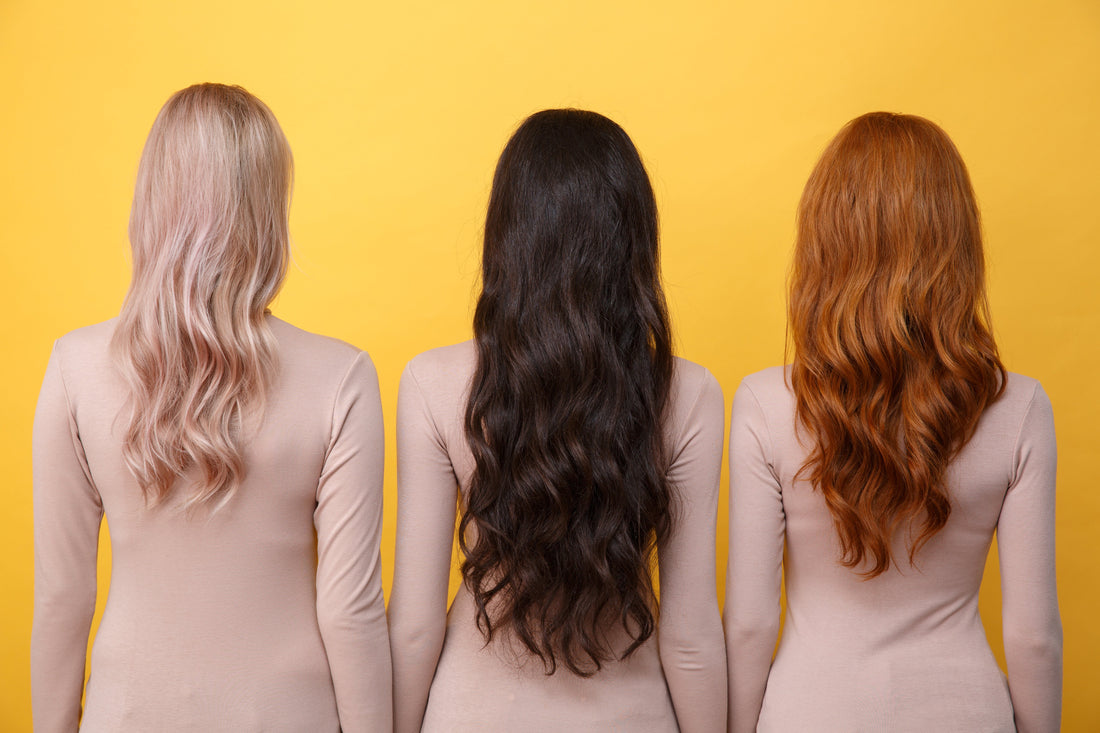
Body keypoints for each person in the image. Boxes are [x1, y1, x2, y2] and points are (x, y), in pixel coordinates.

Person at [31, 83, 391, 732]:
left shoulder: (73, 367)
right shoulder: (343, 378)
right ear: (268, 207)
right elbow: (351, 611)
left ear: (151, 201)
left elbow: (63, 596)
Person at [389, 109, 727, 732]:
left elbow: (412, 629)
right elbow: (691, 635)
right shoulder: (690, 394)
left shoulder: (431, 383)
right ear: (634, 237)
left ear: (506, 234)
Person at [724, 112, 1062, 732]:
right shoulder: (1021, 408)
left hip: (809, 713)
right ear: (957, 240)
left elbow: (750, 623)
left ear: (824, 239)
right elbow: (1033, 637)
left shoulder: (763, 404)